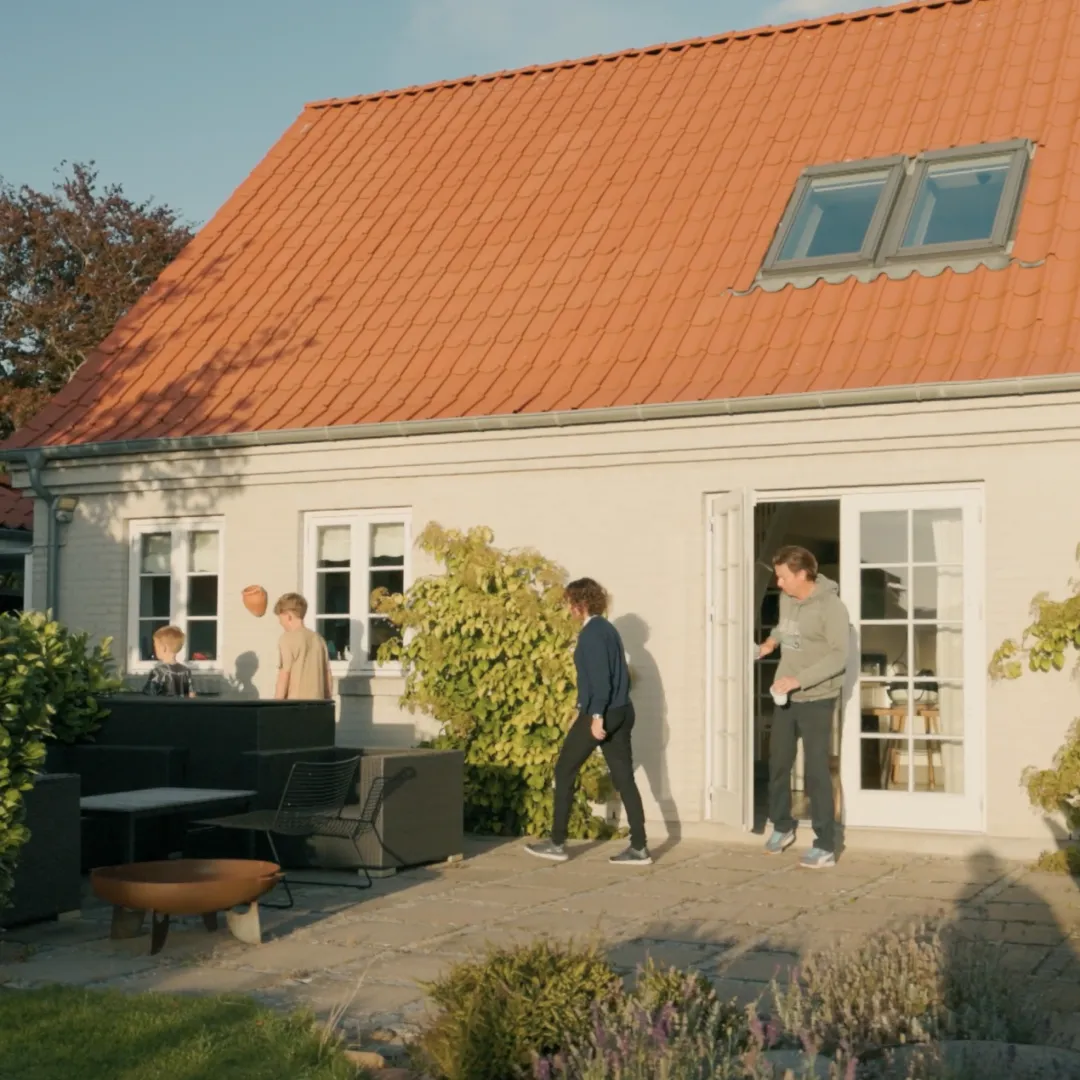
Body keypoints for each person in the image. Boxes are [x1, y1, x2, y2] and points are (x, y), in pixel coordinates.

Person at [525, 578, 651, 866]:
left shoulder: (592, 634)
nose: (568, 607)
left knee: (565, 770)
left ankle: (557, 843)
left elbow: (601, 681)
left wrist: (594, 717)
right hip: (621, 711)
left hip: (604, 712)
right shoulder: (608, 630)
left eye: (570, 601)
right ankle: (640, 848)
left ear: (580, 603)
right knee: (624, 779)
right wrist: (585, 708)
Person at [758, 545, 850, 869]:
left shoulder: (831, 608)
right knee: (778, 764)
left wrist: (799, 679)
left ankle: (825, 844)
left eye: (782, 577)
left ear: (801, 574)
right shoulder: (787, 599)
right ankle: (782, 826)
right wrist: (771, 642)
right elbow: (785, 628)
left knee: (815, 772)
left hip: (817, 698)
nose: (778, 584)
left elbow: (840, 656)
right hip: (786, 697)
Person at [273, 592, 333, 700]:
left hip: (294, 706)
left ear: (288, 616)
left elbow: (284, 675)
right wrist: (327, 702)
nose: (280, 622)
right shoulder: (319, 639)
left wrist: (275, 705)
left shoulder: (287, 639)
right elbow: (327, 675)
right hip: (317, 705)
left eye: (280, 617)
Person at [141, 625, 196, 698]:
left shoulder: (158, 672)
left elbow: (148, 695)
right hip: (182, 708)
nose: (155, 649)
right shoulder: (186, 671)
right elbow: (192, 695)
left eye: (155, 646)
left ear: (164, 648)